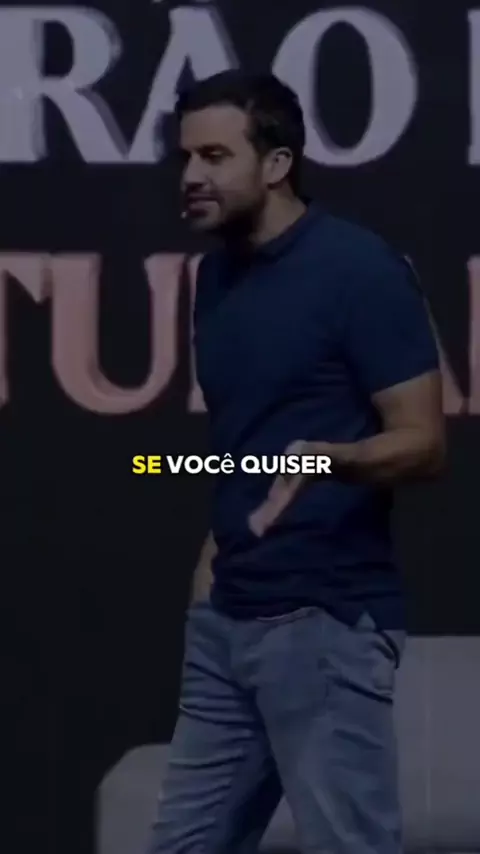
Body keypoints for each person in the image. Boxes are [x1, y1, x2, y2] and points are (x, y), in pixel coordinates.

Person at [146, 70, 445, 854]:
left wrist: (333, 459)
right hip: (228, 620)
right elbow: (241, 442)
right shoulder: (215, 277)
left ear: (277, 163)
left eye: (215, 156)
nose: (191, 176)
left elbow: (423, 440)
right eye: (185, 157)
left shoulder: (360, 270)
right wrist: (212, 566)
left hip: (324, 620)